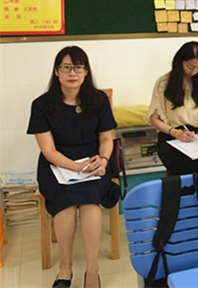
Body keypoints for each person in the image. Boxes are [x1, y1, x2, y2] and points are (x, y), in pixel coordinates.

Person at [27, 46, 118, 288]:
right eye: (66, 67)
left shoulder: (98, 100)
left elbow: (106, 139)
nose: (72, 73)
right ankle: (65, 269)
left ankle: (92, 269)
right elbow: (48, 150)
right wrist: (76, 168)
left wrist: (103, 160)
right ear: (57, 71)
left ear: (86, 71)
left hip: (94, 162)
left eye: (78, 67)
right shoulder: (42, 105)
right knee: (65, 202)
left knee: (89, 200)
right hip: (56, 165)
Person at [146, 41, 198, 176]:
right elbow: (154, 119)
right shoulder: (164, 83)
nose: (194, 71)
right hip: (171, 136)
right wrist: (176, 133)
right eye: (190, 67)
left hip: (197, 136)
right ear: (180, 62)